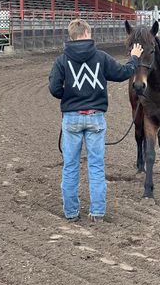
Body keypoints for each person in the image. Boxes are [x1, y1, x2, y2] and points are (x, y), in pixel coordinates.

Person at [49, 19, 143, 222]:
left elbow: (55, 89)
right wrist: (134, 58)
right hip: (95, 118)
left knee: (70, 166)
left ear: (72, 35)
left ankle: (71, 213)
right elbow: (122, 73)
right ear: (87, 34)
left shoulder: (61, 60)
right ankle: (98, 212)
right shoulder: (100, 57)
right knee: (96, 167)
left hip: (72, 119)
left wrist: (71, 95)